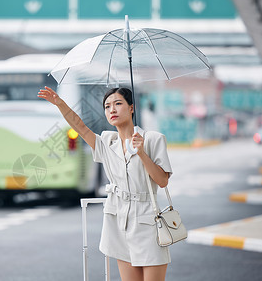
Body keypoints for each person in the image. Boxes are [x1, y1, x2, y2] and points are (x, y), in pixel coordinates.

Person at [38, 86, 173, 281]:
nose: (112, 110)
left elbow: (162, 181)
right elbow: (81, 127)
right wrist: (60, 104)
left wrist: (142, 153)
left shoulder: (152, 139)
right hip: (118, 223)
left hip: (148, 222)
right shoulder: (108, 143)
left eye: (118, 104)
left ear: (131, 108)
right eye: (107, 106)